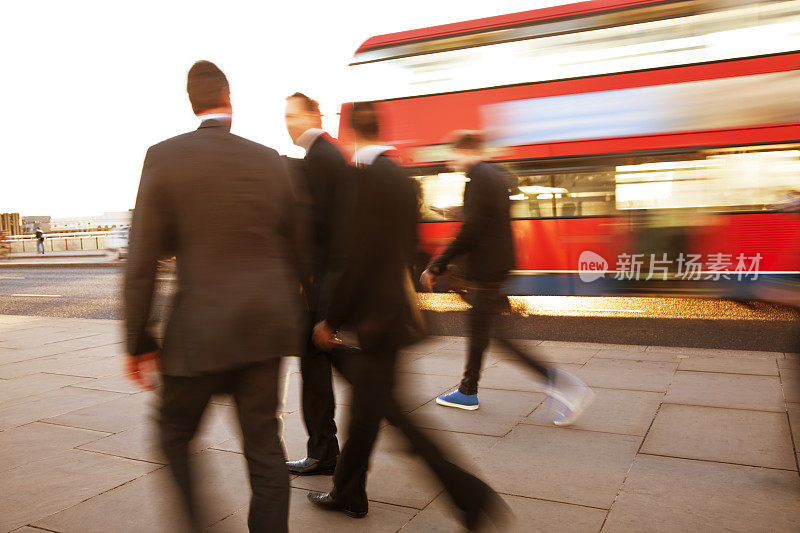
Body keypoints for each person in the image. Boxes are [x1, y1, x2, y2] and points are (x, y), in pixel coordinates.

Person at [307, 103, 510, 530]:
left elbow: (357, 257)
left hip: (376, 320)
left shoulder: (364, 178)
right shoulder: (399, 176)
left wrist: (331, 318)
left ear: (349, 133)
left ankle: (470, 496)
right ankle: (349, 493)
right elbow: (403, 246)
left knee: (397, 417)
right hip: (393, 315)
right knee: (368, 412)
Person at [124, 61, 306, 532]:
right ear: (229, 96)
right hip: (264, 329)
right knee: (265, 450)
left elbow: (142, 258)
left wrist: (137, 341)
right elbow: (296, 246)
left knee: (173, 435)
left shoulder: (164, 157)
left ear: (192, 102)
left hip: (199, 334)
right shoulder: (269, 159)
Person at [420, 131, 593, 426]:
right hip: (493, 267)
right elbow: (485, 219)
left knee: (496, 335)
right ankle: (467, 391)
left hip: (487, 269)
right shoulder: (491, 175)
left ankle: (563, 386)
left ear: (467, 150)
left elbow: (472, 229)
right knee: (480, 331)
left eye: (455, 154)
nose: (452, 162)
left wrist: (438, 264)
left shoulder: (480, 177)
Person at [283, 92, 352, 476]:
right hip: (321, 292)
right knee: (318, 379)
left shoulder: (322, 158)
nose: (288, 123)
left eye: (293, 115)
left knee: (316, 380)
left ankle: (325, 453)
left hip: (319, 296)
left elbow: (330, 235)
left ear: (313, 115)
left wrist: (325, 308)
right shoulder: (322, 156)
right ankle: (326, 450)